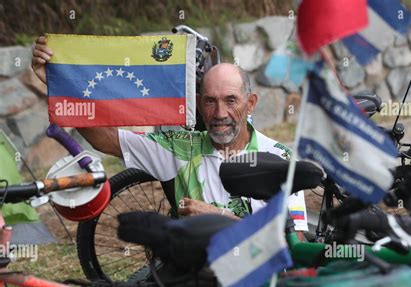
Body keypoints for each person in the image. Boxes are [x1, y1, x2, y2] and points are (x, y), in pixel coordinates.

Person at [32, 36, 309, 233]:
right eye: (210, 101)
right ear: (199, 105)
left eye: (231, 100)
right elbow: (107, 138)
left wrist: (220, 218)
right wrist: (59, 84)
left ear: (251, 103)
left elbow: (292, 244)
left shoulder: (280, 158)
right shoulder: (180, 148)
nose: (220, 112)